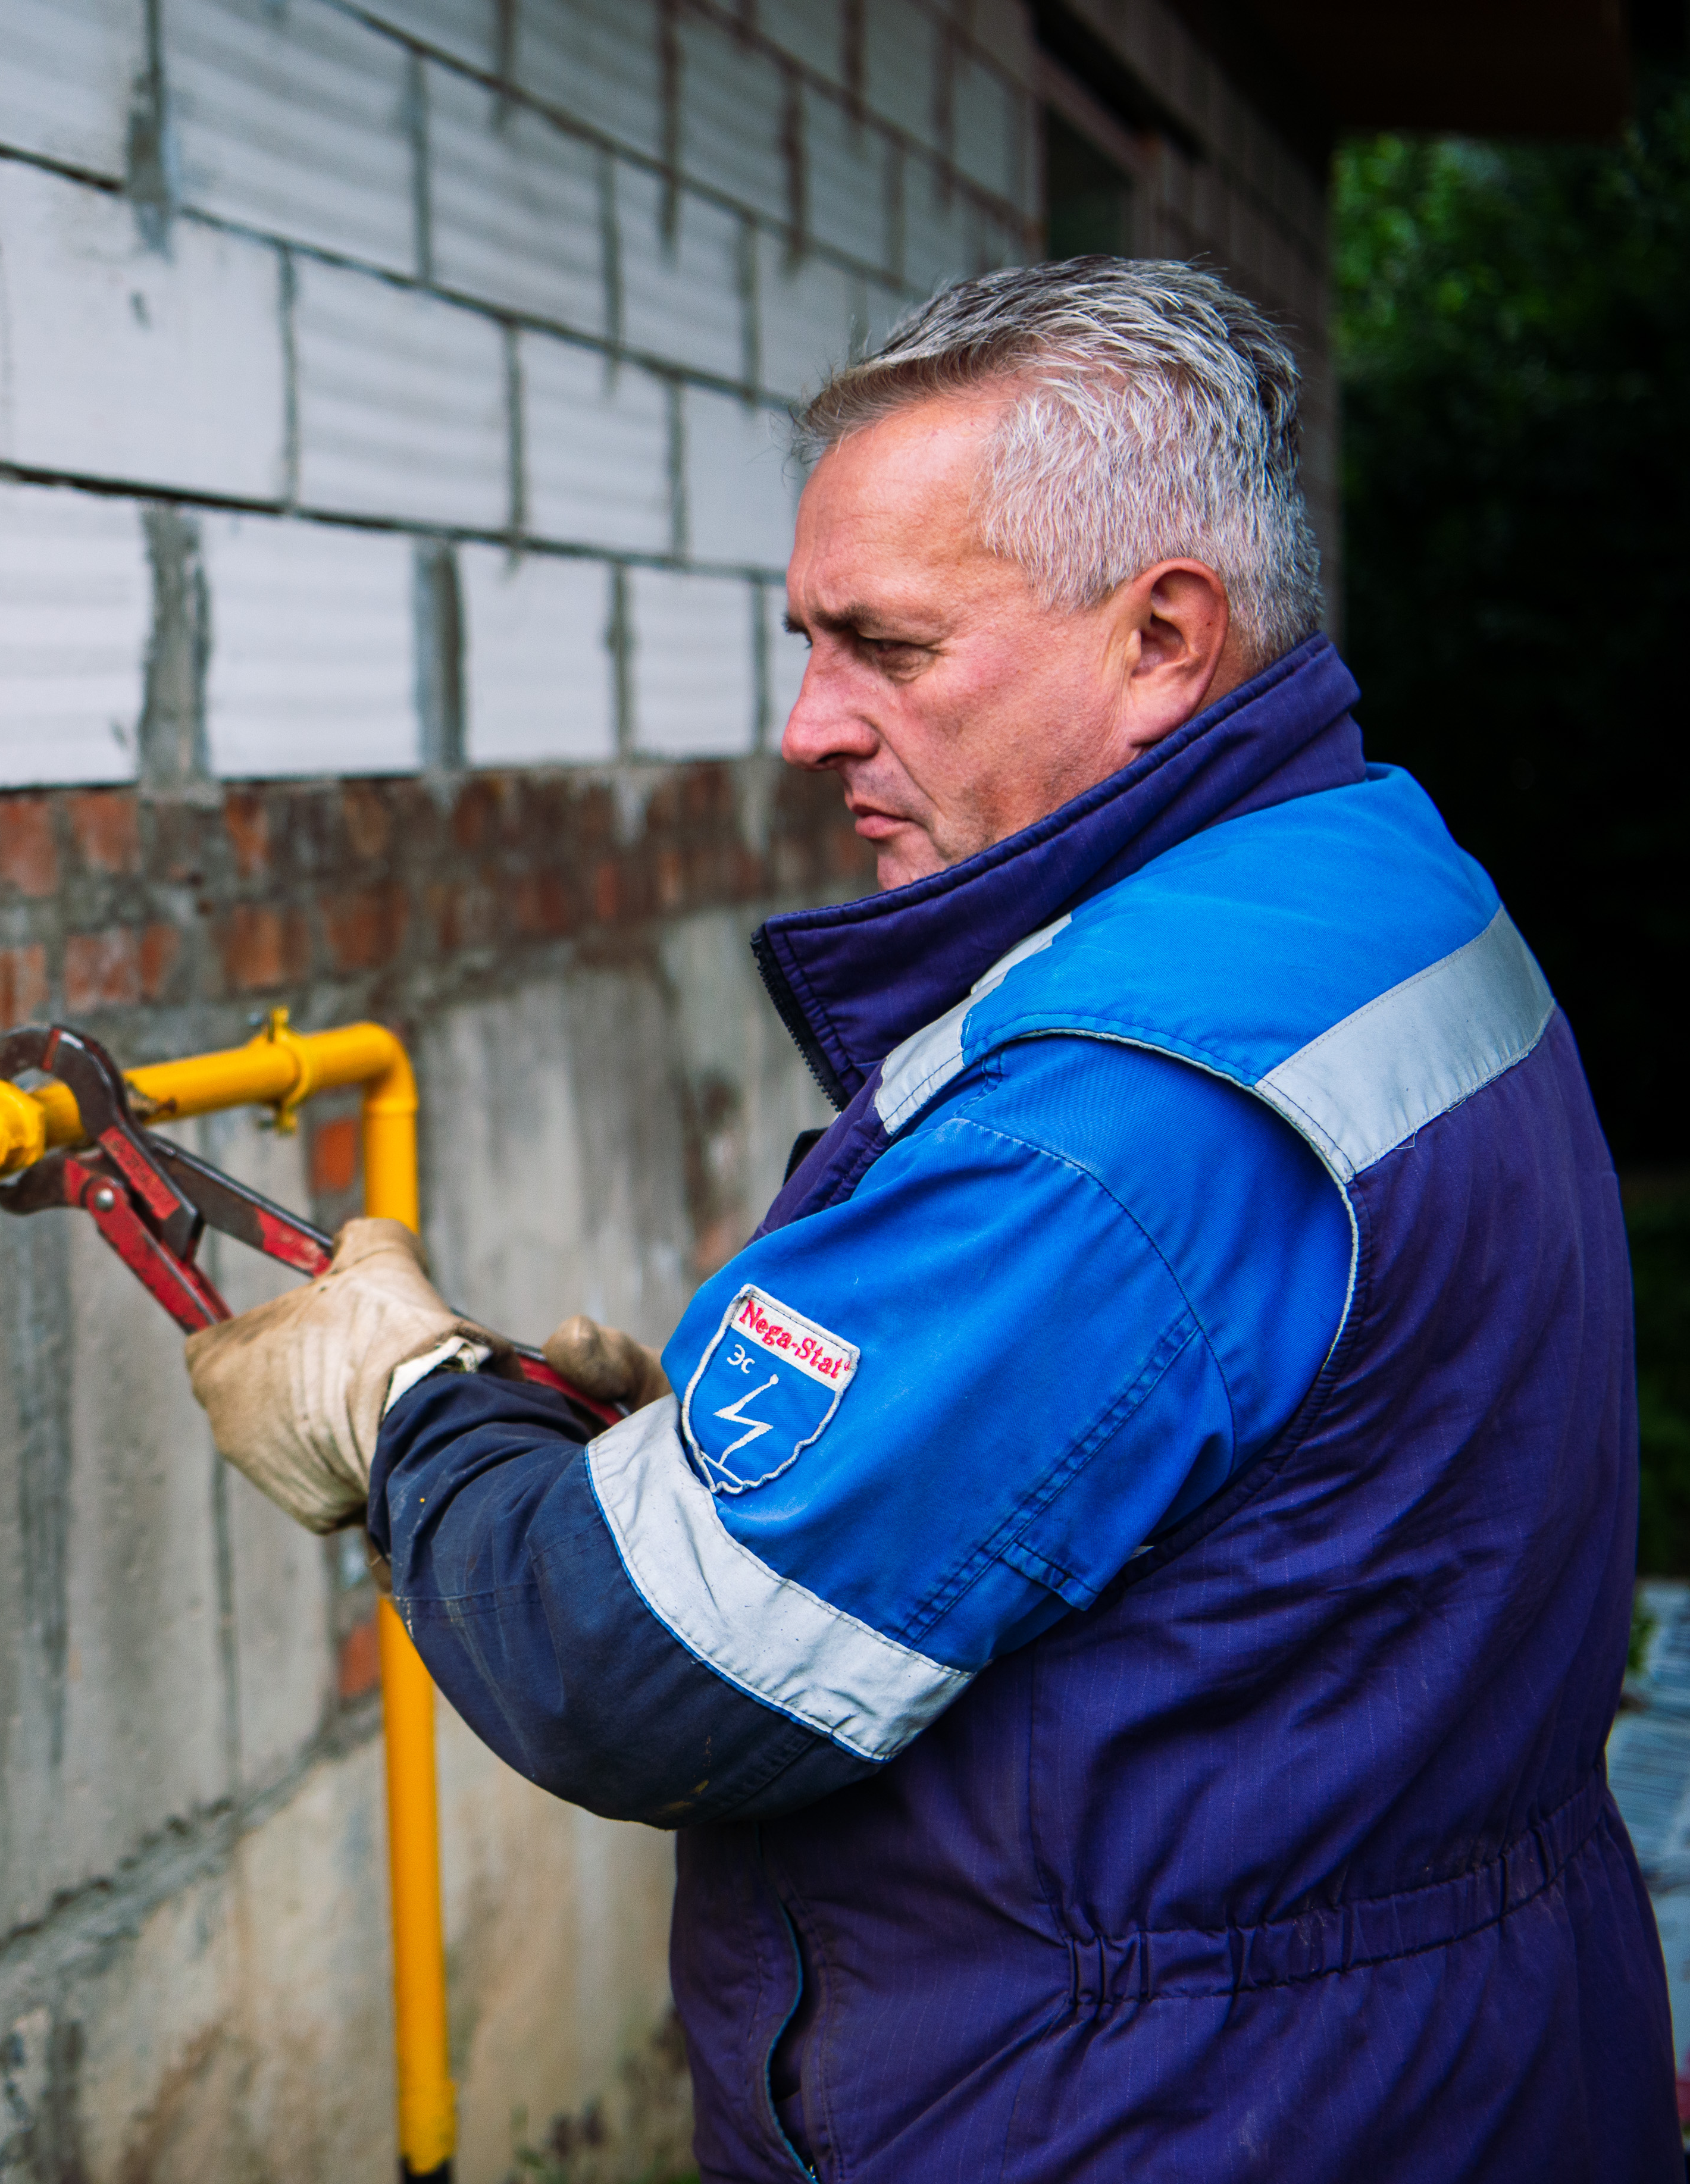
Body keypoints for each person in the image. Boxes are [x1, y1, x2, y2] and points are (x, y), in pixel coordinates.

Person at [185, 258, 1669, 2179]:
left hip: (1161, 2117)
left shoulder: (1123, 1115)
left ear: (1161, 637)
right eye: (808, 641)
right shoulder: (1366, 877)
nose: (809, 725)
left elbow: (640, 1666)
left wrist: (404, 1412)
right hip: (1441, 2049)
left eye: (884, 646)